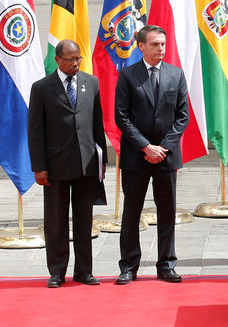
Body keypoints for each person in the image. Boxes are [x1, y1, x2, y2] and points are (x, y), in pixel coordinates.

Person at [28, 39, 107, 288]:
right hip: (55, 166)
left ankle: (84, 271)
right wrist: (39, 166)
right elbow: (35, 130)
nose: (75, 63)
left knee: (84, 220)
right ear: (57, 60)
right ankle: (57, 271)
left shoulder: (90, 83)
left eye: (78, 59)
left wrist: (101, 161)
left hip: (86, 164)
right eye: (70, 59)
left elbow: (97, 125)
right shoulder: (41, 88)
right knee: (56, 221)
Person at [114, 25, 189, 285]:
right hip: (137, 156)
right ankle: (128, 266)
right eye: (155, 44)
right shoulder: (127, 75)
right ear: (141, 46)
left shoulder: (176, 75)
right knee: (131, 212)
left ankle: (166, 264)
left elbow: (182, 116)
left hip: (166, 157)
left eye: (163, 44)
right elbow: (121, 116)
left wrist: (162, 148)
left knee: (166, 212)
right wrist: (146, 147)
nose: (161, 49)